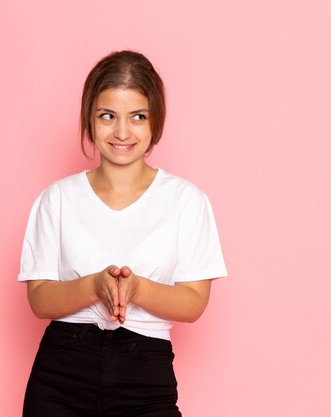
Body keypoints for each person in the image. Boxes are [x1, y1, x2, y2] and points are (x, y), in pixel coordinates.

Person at [18, 50, 227, 417]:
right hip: (61, 374)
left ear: (155, 122)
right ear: (90, 119)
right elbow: (40, 300)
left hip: (145, 375)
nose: (122, 132)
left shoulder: (186, 201)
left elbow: (194, 303)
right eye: (108, 116)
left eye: (138, 117)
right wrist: (95, 286)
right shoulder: (58, 199)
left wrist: (138, 289)